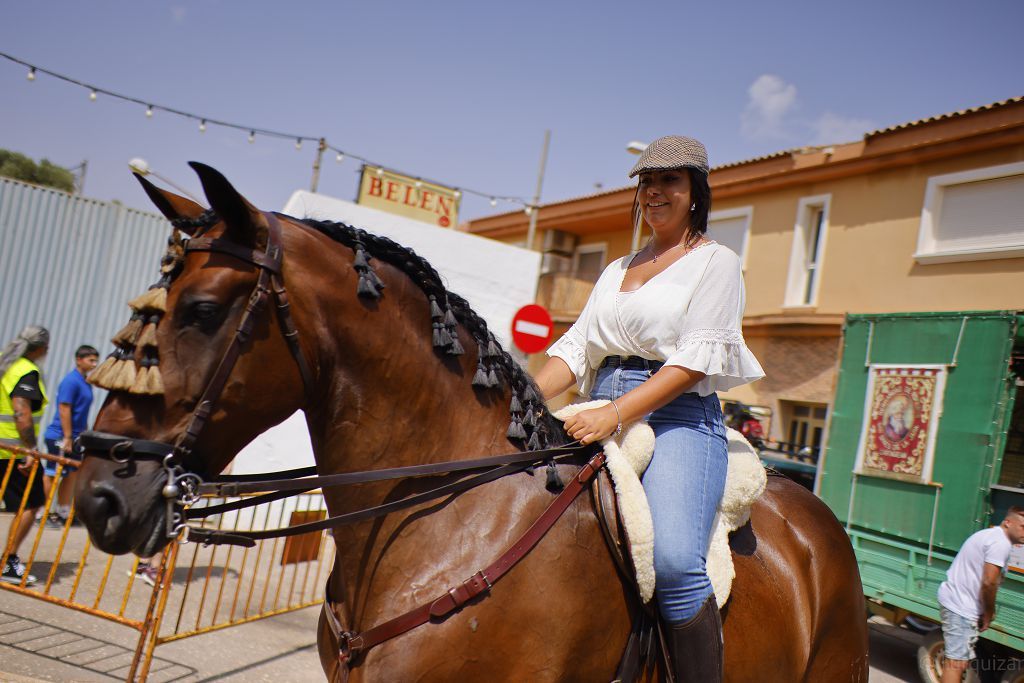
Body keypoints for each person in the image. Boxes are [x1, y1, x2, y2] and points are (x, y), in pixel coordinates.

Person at [534, 136, 764, 681]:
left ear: (694, 192)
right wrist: (514, 400)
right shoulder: (615, 269)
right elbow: (575, 349)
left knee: (675, 563)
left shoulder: (717, 262)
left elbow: (691, 365)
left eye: (670, 181)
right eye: (647, 182)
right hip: (599, 401)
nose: (655, 191)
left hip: (678, 415)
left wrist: (613, 416)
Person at [937, 507, 1024, 682]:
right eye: (1023, 526)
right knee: (956, 664)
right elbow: (988, 583)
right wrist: (989, 613)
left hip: (959, 603)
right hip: (961, 607)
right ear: (1008, 522)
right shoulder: (1001, 543)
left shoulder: (991, 536)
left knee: (958, 662)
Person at [0, 325, 50, 585]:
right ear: (40, 348)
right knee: (30, 505)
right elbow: (21, 412)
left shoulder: (5, 363)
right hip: (13, 452)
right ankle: (8, 561)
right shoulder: (25, 370)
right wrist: (30, 450)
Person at [42, 345, 99, 528]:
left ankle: (63, 512)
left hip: (76, 435)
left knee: (71, 473)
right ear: (79, 360)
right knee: (53, 473)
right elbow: (64, 408)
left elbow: (82, 411)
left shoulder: (85, 382)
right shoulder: (71, 381)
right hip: (60, 434)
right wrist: (66, 437)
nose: (94, 364)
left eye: (95, 360)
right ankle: (43, 513)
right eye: (91, 360)